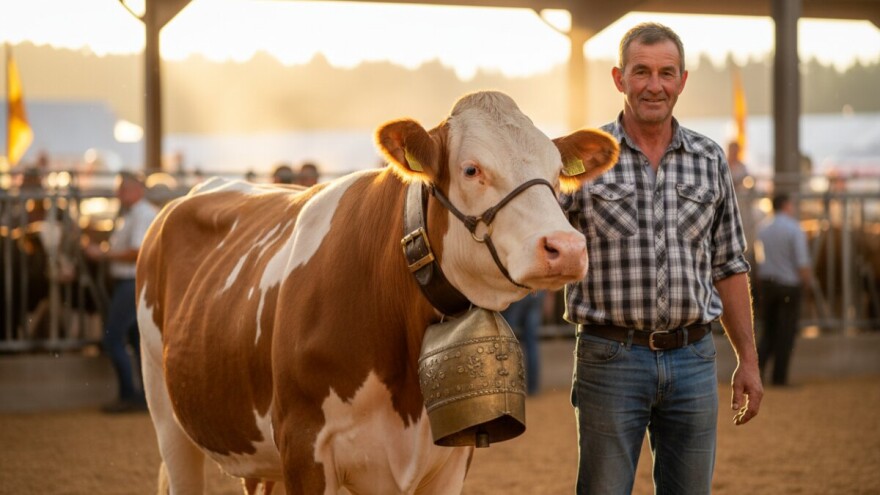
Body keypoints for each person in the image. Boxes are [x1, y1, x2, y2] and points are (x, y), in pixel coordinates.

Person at [560, 23, 763, 494]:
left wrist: (747, 361)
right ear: (619, 78)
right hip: (610, 357)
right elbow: (536, 237)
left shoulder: (710, 159)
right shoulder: (583, 157)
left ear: (683, 80)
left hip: (694, 358)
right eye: (642, 72)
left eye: (666, 73)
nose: (655, 85)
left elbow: (730, 266)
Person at [85, 171, 158, 413]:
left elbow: (137, 252)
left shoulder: (143, 214)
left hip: (132, 282)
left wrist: (103, 254)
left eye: (123, 189)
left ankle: (129, 393)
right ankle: (144, 397)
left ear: (137, 189)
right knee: (136, 340)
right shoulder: (134, 214)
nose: (119, 194)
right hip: (132, 282)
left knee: (113, 337)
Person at [756, 193, 811, 387]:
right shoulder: (794, 228)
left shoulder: (763, 228)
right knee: (786, 332)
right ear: (786, 205)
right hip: (789, 285)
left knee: (768, 330)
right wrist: (806, 282)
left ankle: (756, 372)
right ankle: (779, 377)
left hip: (768, 284)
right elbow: (802, 261)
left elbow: (759, 258)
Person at [501, 291, 545, 395]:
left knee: (508, 340)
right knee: (532, 343)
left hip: (519, 290)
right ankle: (533, 388)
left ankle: (508, 385)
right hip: (537, 291)